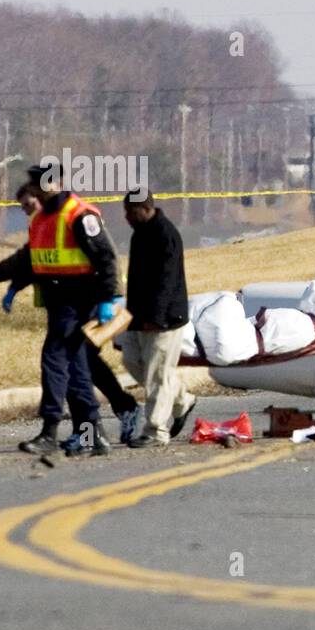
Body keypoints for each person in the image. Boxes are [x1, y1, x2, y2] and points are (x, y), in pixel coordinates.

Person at [0, 184, 141, 449]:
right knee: (79, 366)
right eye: (22, 206)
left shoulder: (74, 216)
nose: (27, 210)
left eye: (29, 203)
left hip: (89, 301)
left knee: (66, 363)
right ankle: (94, 431)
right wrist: (6, 281)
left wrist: (109, 298)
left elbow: (106, 256)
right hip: (66, 305)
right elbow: (32, 258)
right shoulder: (43, 221)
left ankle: (91, 423)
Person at [116, 187, 197, 448]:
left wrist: (157, 317)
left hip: (164, 319)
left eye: (131, 211)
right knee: (132, 361)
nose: (126, 217)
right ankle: (182, 400)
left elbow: (167, 280)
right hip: (139, 316)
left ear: (146, 208)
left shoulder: (165, 235)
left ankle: (155, 431)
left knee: (157, 375)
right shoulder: (139, 234)